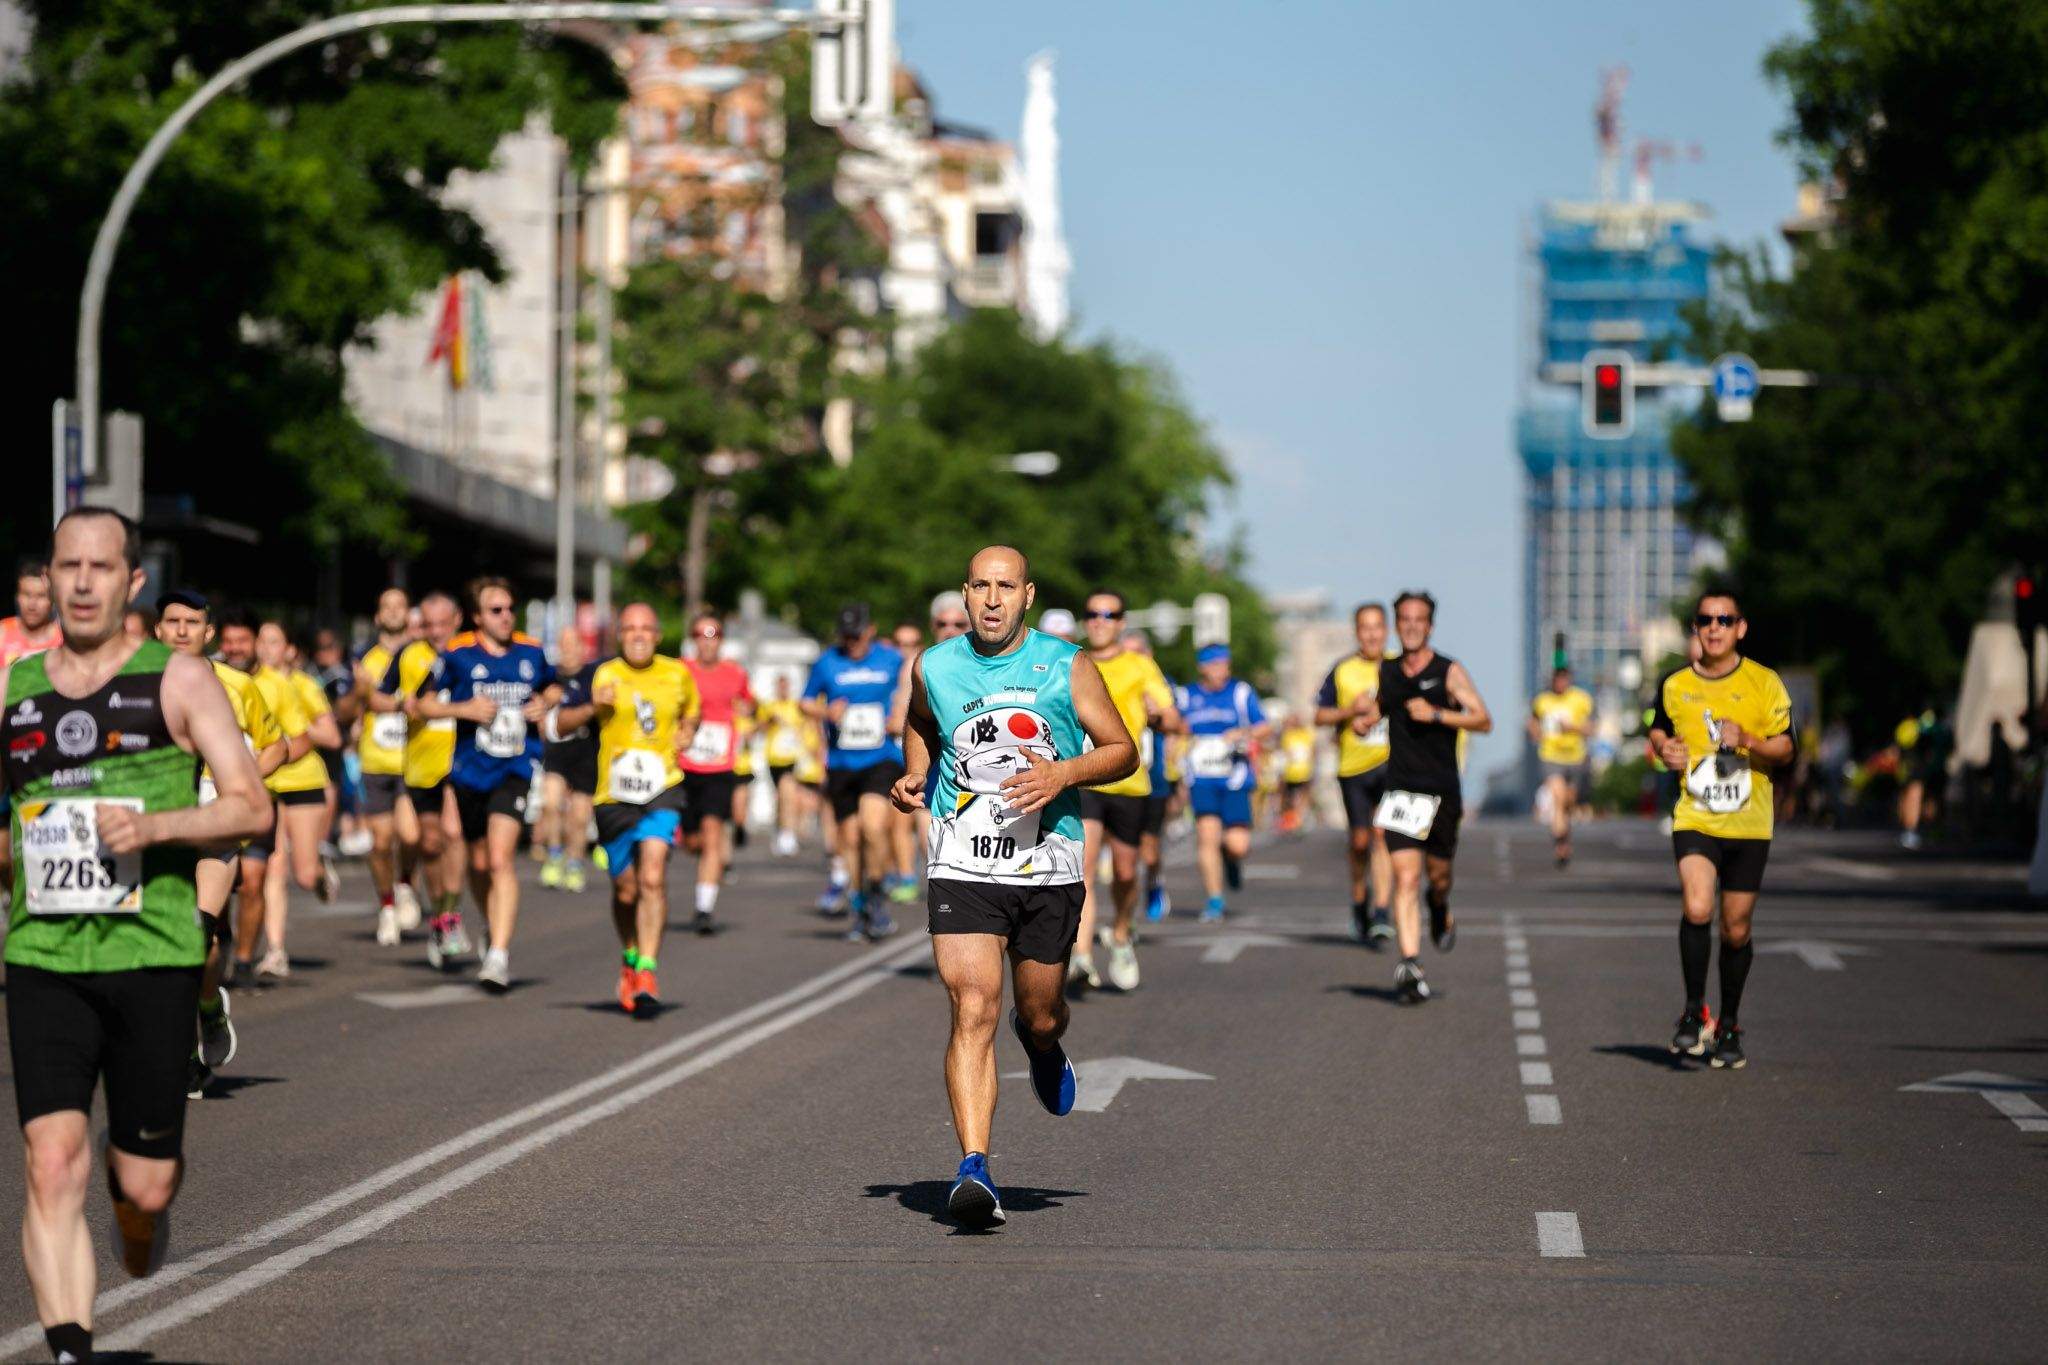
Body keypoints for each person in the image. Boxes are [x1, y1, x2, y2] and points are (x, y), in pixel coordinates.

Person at [3, 508, 270, 1362]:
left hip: (153, 952)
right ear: (49, 576)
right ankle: (71, 1348)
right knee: (51, 1160)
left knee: (146, 1185)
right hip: (42, 954)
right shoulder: (14, 686)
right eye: (67, 566)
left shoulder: (181, 680)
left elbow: (251, 805)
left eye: (101, 566)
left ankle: (136, 1205)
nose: (82, 582)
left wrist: (155, 827)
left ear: (133, 580)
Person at [891, 546, 1137, 1228]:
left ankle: (1042, 1042)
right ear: (965, 594)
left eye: (1006, 586)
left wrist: (1062, 774)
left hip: (1047, 861)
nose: (993, 599)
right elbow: (921, 722)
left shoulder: (1066, 664)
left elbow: (1123, 750)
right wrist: (917, 772)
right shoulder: (935, 666)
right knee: (972, 1003)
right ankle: (974, 1166)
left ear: (1027, 595)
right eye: (981, 586)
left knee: (1040, 1010)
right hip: (964, 858)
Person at [1647, 589, 1793, 1070]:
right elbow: (1659, 727)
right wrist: (1665, 749)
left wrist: (1748, 739)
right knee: (1697, 905)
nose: (1714, 628)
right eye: (1706, 620)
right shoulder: (1675, 684)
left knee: (1735, 929)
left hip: (1749, 822)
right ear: (1696, 628)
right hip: (1696, 815)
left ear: (1740, 628)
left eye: (1724, 620)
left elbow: (1786, 748)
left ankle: (1729, 1024)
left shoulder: (1764, 682)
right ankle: (1694, 1012)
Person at [154, 590, 287, 1098]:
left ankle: (206, 1014)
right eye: (172, 621)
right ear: (157, 630)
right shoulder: (135, 687)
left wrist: (243, 777)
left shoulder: (237, 685)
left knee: (198, 935)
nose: (181, 631)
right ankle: (188, 1042)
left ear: (209, 633)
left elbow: (278, 745)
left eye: (192, 623)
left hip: (217, 829)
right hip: (160, 830)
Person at [415, 578, 558, 991]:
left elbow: (553, 686)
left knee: (499, 858)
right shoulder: (457, 654)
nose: (506, 616)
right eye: (496, 610)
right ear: (478, 617)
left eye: (510, 608)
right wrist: (463, 709)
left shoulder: (531, 651)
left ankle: (498, 954)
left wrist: (544, 702)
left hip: (516, 767)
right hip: (470, 771)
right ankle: (490, 923)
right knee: (478, 863)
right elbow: (422, 703)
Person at [1361, 591, 1492, 1004]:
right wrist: (1365, 719)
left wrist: (1437, 714)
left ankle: (1438, 905)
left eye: (1419, 619)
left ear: (1430, 626)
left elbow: (1483, 719)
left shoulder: (1448, 671)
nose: (1412, 626)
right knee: (1405, 877)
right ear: (1397, 625)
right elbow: (1381, 707)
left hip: (1441, 792)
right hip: (1402, 789)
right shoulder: (1388, 670)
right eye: (1405, 619)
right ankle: (1410, 964)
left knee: (1438, 877)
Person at [580, 603, 698, 1015]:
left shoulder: (677, 673)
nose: (638, 635)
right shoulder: (606, 674)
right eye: (629, 628)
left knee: (652, 875)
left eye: (645, 628)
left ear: (658, 635)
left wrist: (687, 731)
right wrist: (595, 704)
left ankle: (647, 969)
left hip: (662, 786)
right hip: (614, 794)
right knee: (626, 889)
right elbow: (585, 715)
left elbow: (692, 713)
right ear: (619, 636)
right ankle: (630, 955)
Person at [1072, 589, 1179, 991]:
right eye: (1092, 613)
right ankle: (1081, 955)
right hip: (1084, 779)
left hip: (1130, 782)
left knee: (1125, 871)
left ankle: (1120, 934)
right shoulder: (1072, 661)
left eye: (1109, 614)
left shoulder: (1140, 664)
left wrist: (1159, 715)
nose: (1099, 621)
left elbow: (1173, 717)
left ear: (1121, 622)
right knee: (1082, 869)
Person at [803, 604, 905, 940]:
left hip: (881, 758)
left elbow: (912, 690)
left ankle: (876, 893)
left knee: (872, 826)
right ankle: (860, 903)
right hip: (842, 763)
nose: (852, 643)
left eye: (857, 636)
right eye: (846, 637)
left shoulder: (890, 659)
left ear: (870, 631)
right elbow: (805, 701)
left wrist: (900, 716)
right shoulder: (827, 662)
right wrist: (824, 713)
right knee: (848, 839)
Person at [375, 590, 467, 964]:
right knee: (429, 844)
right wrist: (402, 703)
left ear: (457, 621)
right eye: (428, 624)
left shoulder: (471, 652)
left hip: (464, 762)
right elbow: (377, 699)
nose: (436, 631)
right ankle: (441, 915)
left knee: (454, 834)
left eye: (443, 624)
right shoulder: (408, 654)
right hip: (421, 765)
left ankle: (451, 914)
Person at [245, 621, 341, 977]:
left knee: (303, 875)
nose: (266, 648)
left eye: (274, 642)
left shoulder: (303, 685)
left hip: (303, 779)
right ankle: (276, 950)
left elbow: (331, 736)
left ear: (290, 650)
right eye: (261, 641)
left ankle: (319, 871)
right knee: (274, 864)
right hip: (268, 781)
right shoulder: (250, 682)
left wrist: (294, 727)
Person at [1315, 601, 1395, 946]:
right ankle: (1359, 899)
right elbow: (1320, 715)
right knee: (1360, 841)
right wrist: (1351, 711)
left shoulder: (1398, 667)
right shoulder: (1343, 670)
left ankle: (1382, 912)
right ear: (1357, 632)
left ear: (1386, 630)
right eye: (1365, 628)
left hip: (1392, 764)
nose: (1372, 634)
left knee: (1383, 835)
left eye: (1377, 627)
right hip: (1353, 767)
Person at [1176, 645, 1269, 922]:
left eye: (1224, 664)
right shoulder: (1187, 696)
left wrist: (1242, 733)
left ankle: (1230, 859)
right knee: (1207, 836)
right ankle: (1214, 899)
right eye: (1214, 664)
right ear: (1202, 667)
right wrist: (1181, 737)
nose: (1221, 670)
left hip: (1235, 777)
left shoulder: (1240, 692)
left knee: (1238, 844)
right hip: (1201, 777)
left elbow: (1264, 726)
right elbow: (1175, 726)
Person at [680, 611, 755, 935]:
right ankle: (697, 849)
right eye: (701, 635)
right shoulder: (680, 671)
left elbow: (751, 702)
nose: (707, 642)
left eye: (713, 635)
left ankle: (704, 909)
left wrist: (748, 709)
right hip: (684, 766)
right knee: (692, 841)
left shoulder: (734, 673)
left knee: (713, 834)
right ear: (693, 639)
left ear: (721, 640)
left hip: (720, 766)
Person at [353, 589, 420, 945]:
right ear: (378, 616)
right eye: (387, 606)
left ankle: (406, 883)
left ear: (408, 614)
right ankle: (388, 906)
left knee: (410, 836)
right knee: (379, 843)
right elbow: (353, 706)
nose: (393, 612)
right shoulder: (364, 659)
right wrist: (360, 697)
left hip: (413, 761)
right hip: (376, 761)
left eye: (400, 606)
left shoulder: (420, 656)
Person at [1123, 631, 1178, 924]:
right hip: (1117, 780)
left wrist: (1156, 714)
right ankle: (1124, 917)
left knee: (1149, 848)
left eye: (1137, 652)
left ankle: (1154, 881)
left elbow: (1177, 724)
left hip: (1152, 777)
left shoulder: (1161, 684)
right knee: (1122, 856)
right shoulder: (1112, 676)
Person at [538, 627, 598, 892]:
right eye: (564, 644)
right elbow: (534, 706)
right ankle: (554, 855)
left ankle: (574, 863)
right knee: (551, 803)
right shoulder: (550, 676)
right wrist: (545, 702)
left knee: (579, 815)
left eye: (573, 644)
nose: (568, 650)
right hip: (557, 750)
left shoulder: (593, 676)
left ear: (583, 648)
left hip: (587, 750)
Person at [1528, 665, 1594, 867]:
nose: (1560, 683)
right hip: (1550, 756)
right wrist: (1536, 733)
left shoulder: (1581, 699)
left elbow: (1591, 728)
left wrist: (1571, 727)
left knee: (1568, 802)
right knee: (1558, 798)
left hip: (1575, 758)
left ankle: (1564, 838)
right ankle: (1560, 845)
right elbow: (1532, 722)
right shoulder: (1542, 701)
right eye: (1557, 679)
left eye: (1563, 679)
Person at [757, 674, 810, 857]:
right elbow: (760, 728)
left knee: (789, 794)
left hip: (791, 758)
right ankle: (780, 830)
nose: (783, 689)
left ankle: (788, 834)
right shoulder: (769, 706)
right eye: (780, 686)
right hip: (773, 759)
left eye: (785, 686)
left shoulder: (796, 706)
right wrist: (770, 721)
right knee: (780, 798)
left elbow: (805, 727)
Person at [1276, 705, 1317, 834]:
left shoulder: (1306, 735)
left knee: (1302, 796)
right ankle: (1289, 819)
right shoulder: (1287, 735)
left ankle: (1297, 818)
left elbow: (1312, 752)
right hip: (1290, 772)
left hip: (1304, 772)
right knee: (1287, 797)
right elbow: (1283, 752)